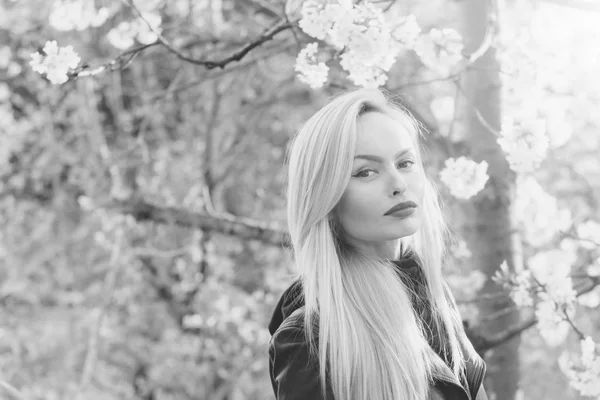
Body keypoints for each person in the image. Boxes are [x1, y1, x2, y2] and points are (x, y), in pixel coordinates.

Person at [267, 88, 489, 400]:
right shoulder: (311, 338)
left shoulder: (432, 293)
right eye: (366, 172)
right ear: (326, 199)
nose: (398, 184)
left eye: (406, 162)